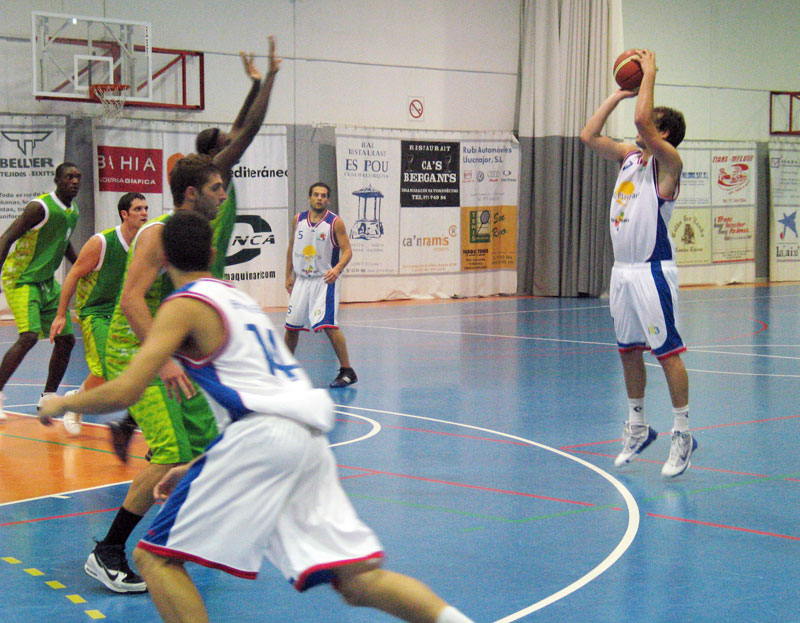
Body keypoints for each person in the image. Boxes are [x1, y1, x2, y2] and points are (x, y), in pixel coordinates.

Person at [39, 211, 474, 623]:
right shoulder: (241, 301)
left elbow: (128, 389)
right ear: (213, 253)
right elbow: (263, 394)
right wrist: (202, 463)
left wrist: (62, 404)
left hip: (261, 440)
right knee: (357, 581)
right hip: (306, 439)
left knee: (154, 558)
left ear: (163, 258)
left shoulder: (183, 305)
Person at [104, 36, 281, 460]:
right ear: (217, 154)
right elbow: (249, 129)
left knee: (191, 368)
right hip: (190, 281)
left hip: (199, 279)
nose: (232, 139)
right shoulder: (215, 175)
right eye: (225, 141)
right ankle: (167, 443)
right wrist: (271, 79)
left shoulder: (214, 176)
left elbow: (239, 128)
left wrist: (255, 85)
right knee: (196, 366)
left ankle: (141, 429)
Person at [80, 154, 227, 593]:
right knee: (169, 452)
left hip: (168, 354)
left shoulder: (196, 234)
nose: (224, 195)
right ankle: (107, 552)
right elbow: (130, 300)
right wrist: (161, 359)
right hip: (133, 352)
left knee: (206, 444)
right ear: (191, 194)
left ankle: (181, 536)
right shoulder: (157, 233)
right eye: (216, 188)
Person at [579, 49, 695, 477]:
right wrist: (617, 94)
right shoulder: (629, 156)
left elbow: (642, 120)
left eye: (650, 122)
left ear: (663, 133)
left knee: (667, 353)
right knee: (628, 351)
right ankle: (638, 425)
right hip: (622, 272)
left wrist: (649, 73)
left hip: (653, 272)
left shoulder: (670, 165)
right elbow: (588, 136)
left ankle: (682, 433)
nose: (640, 124)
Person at [48, 192, 149, 436]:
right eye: (138, 209)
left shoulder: (145, 242)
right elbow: (73, 274)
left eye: (146, 208)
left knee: (122, 368)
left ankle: (76, 400)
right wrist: (61, 314)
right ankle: (75, 407)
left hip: (122, 312)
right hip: (95, 311)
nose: (144, 213)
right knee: (107, 367)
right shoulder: (102, 242)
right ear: (124, 214)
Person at [0, 163, 80, 422]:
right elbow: (6, 238)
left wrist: (82, 267)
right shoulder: (40, 208)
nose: (75, 181)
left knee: (67, 339)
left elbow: (63, 242)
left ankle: (48, 397)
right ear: (57, 180)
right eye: (69, 177)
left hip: (46, 281)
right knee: (29, 336)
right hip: (21, 278)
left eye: (78, 177)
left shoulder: (73, 211)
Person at [285, 182, 357, 388]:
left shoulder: (335, 223)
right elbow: (292, 247)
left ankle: (347, 370)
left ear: (328, 200)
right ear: (309, 198)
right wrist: (287, 274)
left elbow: (347, 251)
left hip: (324, 280)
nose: (319, 198)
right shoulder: (298, 220)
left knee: (328, 325)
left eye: (323, 195)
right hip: (301, 280)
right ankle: (285, 369)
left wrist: (337, 269)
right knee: (291, 327)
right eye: (316, 195)